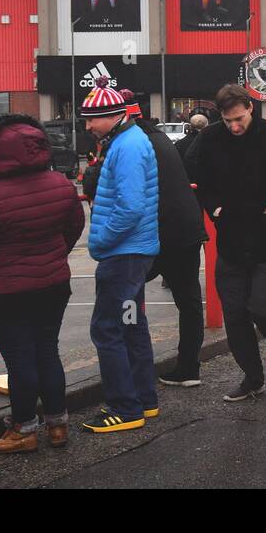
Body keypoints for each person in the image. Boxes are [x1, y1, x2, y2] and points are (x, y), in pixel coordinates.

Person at [0, 115, 85, 452]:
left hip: (4, 292)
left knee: (20, 359)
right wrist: (53, 255)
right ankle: (57, 426)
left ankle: (24, 430)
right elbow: (72, 228)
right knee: (47, 351)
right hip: (53, 284)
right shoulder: (60, 184)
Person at [193, 84, 266, 402]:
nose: (234, 126)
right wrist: (214, 208)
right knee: (235, 314)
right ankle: (252, 376)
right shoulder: (211, 139)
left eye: (239, 119)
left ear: (250, 108)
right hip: (230, 241)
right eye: (228, 121)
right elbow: (200, 179)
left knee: (263, 307)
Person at [79, 77, 160, 433]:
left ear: (111, 116)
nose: (87, 126)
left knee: (107, 329)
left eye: (91, 119)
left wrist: (101, 241)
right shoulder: (133, 139)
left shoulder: (125, 147)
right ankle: (144, 400)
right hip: (136, 252)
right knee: (132, 326)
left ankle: (125, 409)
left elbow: (129, 208)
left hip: (123, 253)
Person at [133, 116, 208, 387]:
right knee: (189, 302)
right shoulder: (162, 140)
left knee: (125, 295)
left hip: (158, 233)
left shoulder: (136, 145)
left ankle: (134, 370)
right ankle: (189, 368)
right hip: (186, 229)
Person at [173, 113, 207, 179]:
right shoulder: (211, 142)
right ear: (206, 125)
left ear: (190, 126)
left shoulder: (179, 144)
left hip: (186, 180)